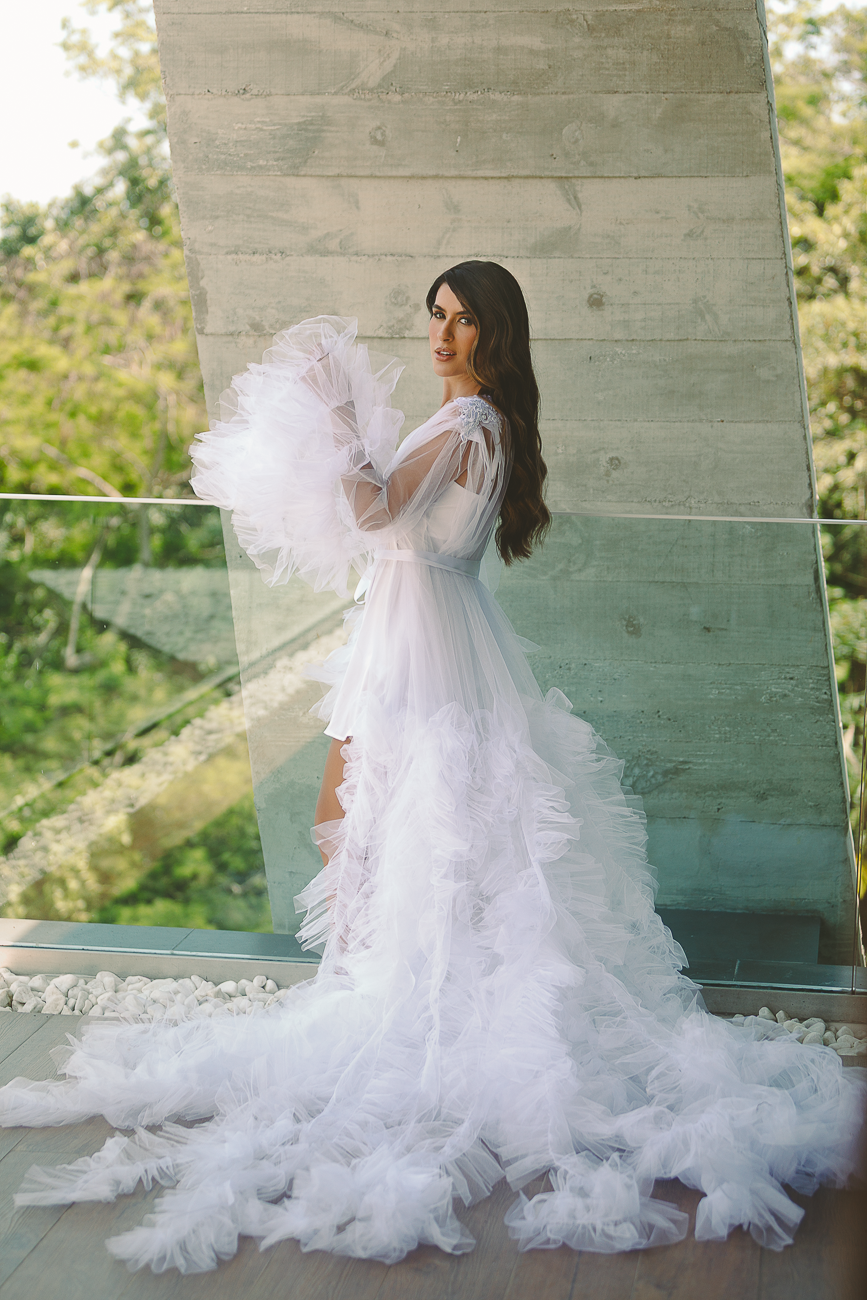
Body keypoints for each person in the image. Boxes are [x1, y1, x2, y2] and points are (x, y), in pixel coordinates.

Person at [0, 262, 863, 1274]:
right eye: (437, 316)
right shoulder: (477, 423)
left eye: (463, 320)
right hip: (418, 633)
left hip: (426, 646)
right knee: (393, 826)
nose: (443, 334)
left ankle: (410, 1007)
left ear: (498, 332)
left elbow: (372, 513)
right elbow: (390, 528)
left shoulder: (466, 425)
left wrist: (333, 412)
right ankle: (380, 989)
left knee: (419, 823)